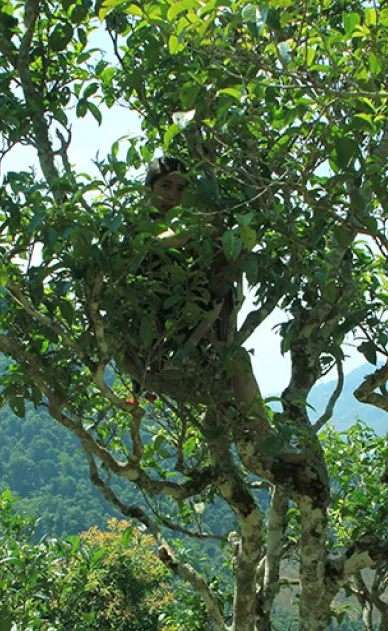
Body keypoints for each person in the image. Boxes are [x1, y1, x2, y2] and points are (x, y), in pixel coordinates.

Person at [123, 157, 304, 465]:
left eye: (181, 189)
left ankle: (266, 440)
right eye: (165, 186)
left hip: (196, 338)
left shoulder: (187, 235)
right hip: (152, 343)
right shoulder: (135, 226)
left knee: (239, 361)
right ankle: (262, 436)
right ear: (147, 189)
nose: (172, 196)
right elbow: (153, 245)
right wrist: (201, 231)